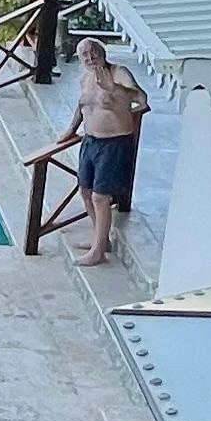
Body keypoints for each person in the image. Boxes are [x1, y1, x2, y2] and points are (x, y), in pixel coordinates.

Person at [46, 36, 149, 267]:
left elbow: (141, 99)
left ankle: (98, 251)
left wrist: (114, 91)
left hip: (114, 143)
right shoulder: (86, 78)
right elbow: (83, 105)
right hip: (90, 142)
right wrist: (71, 129)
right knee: (85, 191)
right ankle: (100, 240)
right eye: (85, 55)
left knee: (100, 197)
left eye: (94, 53)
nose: (90, 58)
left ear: (103, 53)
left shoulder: (118, 72)